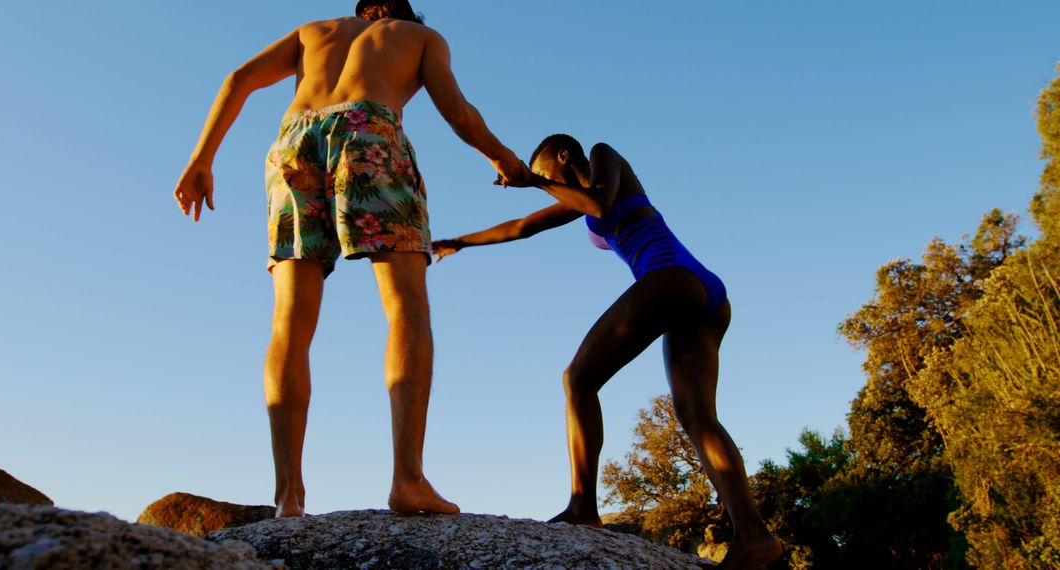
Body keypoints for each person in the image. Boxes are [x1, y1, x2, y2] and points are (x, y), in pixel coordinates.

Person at [173, 0, 531, 518]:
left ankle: (288, 498)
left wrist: (201, 159)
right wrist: (502, 156)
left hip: (293, 142)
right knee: (405, 304)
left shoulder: (313, 31)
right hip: (369, 132)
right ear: (402, 15)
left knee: (290, 322)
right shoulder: (418, 36)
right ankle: (408, 479)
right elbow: (457, 110)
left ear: (359, 11)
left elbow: (237, 79)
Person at [432, 135, 783, 569]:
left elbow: (599, 203)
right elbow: (525, 226)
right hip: (700, 293)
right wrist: (460, 242)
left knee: (577, 379)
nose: (547, 183)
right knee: (697, 416)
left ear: (564, 156)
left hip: (671, 276)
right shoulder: (576, 197)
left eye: (548, 174)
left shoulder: (602, 155)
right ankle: (753, 535)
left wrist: (531, 181)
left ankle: (583, 506)